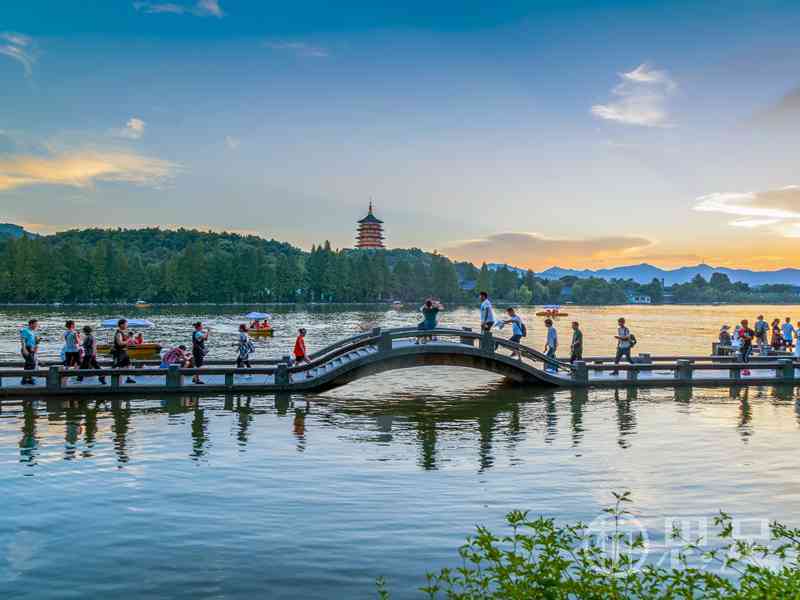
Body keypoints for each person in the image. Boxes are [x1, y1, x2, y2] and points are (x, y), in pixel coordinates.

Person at [113, 318, 136, 384]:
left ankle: (128, 378)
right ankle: (118, 382)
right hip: (119, 352)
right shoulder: (118, 333)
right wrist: (128, 340)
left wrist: (129, 338)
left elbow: (125, 341)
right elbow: (120, 343)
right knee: (119, 366)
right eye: (126, 324)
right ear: (121, 325)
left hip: (124, 352)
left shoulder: (122, 333)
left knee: (128, 365)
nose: (127, 326)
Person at [20, 318, 39, 385]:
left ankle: (26, 379)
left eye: (37, 324)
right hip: (26, 348)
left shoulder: (33, 331)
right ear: (31, 324)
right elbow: (23, 340)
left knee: (28, 364)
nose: (36, 325)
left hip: (32, 349)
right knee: (32, 363)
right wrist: (24, 349)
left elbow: (35, 341)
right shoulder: (25, 330)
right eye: (35, 324)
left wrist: (37, 344)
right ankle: (27, 379)